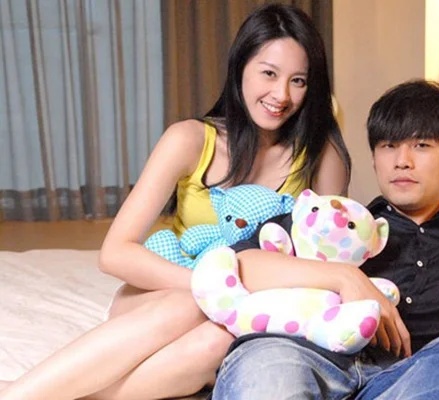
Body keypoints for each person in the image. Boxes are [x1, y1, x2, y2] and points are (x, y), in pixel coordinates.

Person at [0, 4, 350, 400]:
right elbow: (114, 253)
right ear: (240, 68)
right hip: (163, 298)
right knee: (190, 306)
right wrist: (210, 288)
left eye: (298, 81)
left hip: (240, 317)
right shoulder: (190, 139)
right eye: (268, 73)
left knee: (217, 342)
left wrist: (238, 299)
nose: (281, 95)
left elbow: (330, 257)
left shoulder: (321, 156)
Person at [209, 80, 439, 399]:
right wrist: (346, 277)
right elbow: (238, 265)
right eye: (388, 146)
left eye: (421, 146)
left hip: (409, 382)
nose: (401, 161)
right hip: (304, 359)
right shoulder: (332, 219)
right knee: (267, 370)